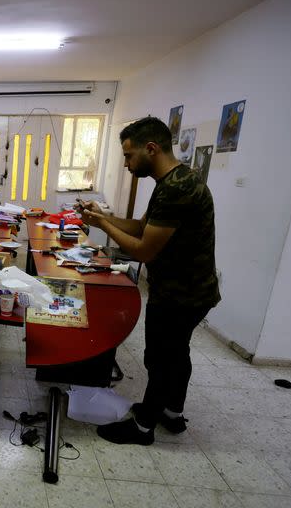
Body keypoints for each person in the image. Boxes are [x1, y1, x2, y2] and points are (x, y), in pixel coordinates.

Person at [78, 116, 220, 445]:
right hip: (190, 290)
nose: (126, 164)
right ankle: (171, 412)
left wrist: (103, 228)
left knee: (160, 357)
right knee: (176, 353)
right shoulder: (174, 181)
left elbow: (143, 251)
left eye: (129, 156)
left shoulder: (177, 189)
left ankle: (143, 427)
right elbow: (141, 228)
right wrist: (101, 217)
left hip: (181, 294)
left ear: (151, 148)